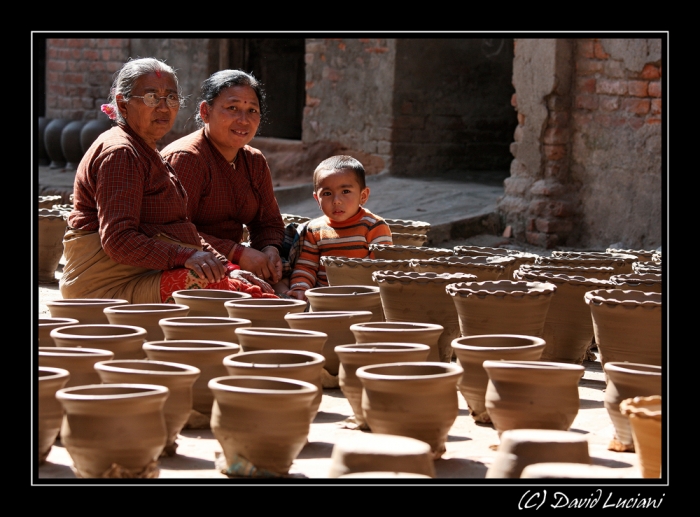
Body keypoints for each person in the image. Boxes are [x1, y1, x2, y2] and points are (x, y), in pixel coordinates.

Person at [59, 58, 277, 303]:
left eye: (171, 98)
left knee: (251, 286)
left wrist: (227, 266)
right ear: (123, 103)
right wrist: (186, 256)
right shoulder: (120, 152)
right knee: (241, 299)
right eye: (152, 97)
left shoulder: (144, 149)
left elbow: (177, 229)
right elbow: (118, 240)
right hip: (103, 284)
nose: (164, 108)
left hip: (141, 271)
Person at [161, 69, 285, 291]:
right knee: (251, 297)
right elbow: (172, 230)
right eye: (232, 108)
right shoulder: (187, 158)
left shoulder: (254, 161)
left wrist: (270, 250)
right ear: (205, 111)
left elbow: (268, 222)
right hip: (190, 262)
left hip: (237, 262)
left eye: (252, 110)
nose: (243, 120)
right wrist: (236, 254)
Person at [286, 155, 393, 301]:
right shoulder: (314, 230)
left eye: (345, 192)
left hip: (363, 299)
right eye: (327, 194)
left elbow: (382, 271)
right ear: (317, 199)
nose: (336, 201)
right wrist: (300, 288)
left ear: (363, 195)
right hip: (325, 300)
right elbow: (306, 267)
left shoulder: (374, 227)